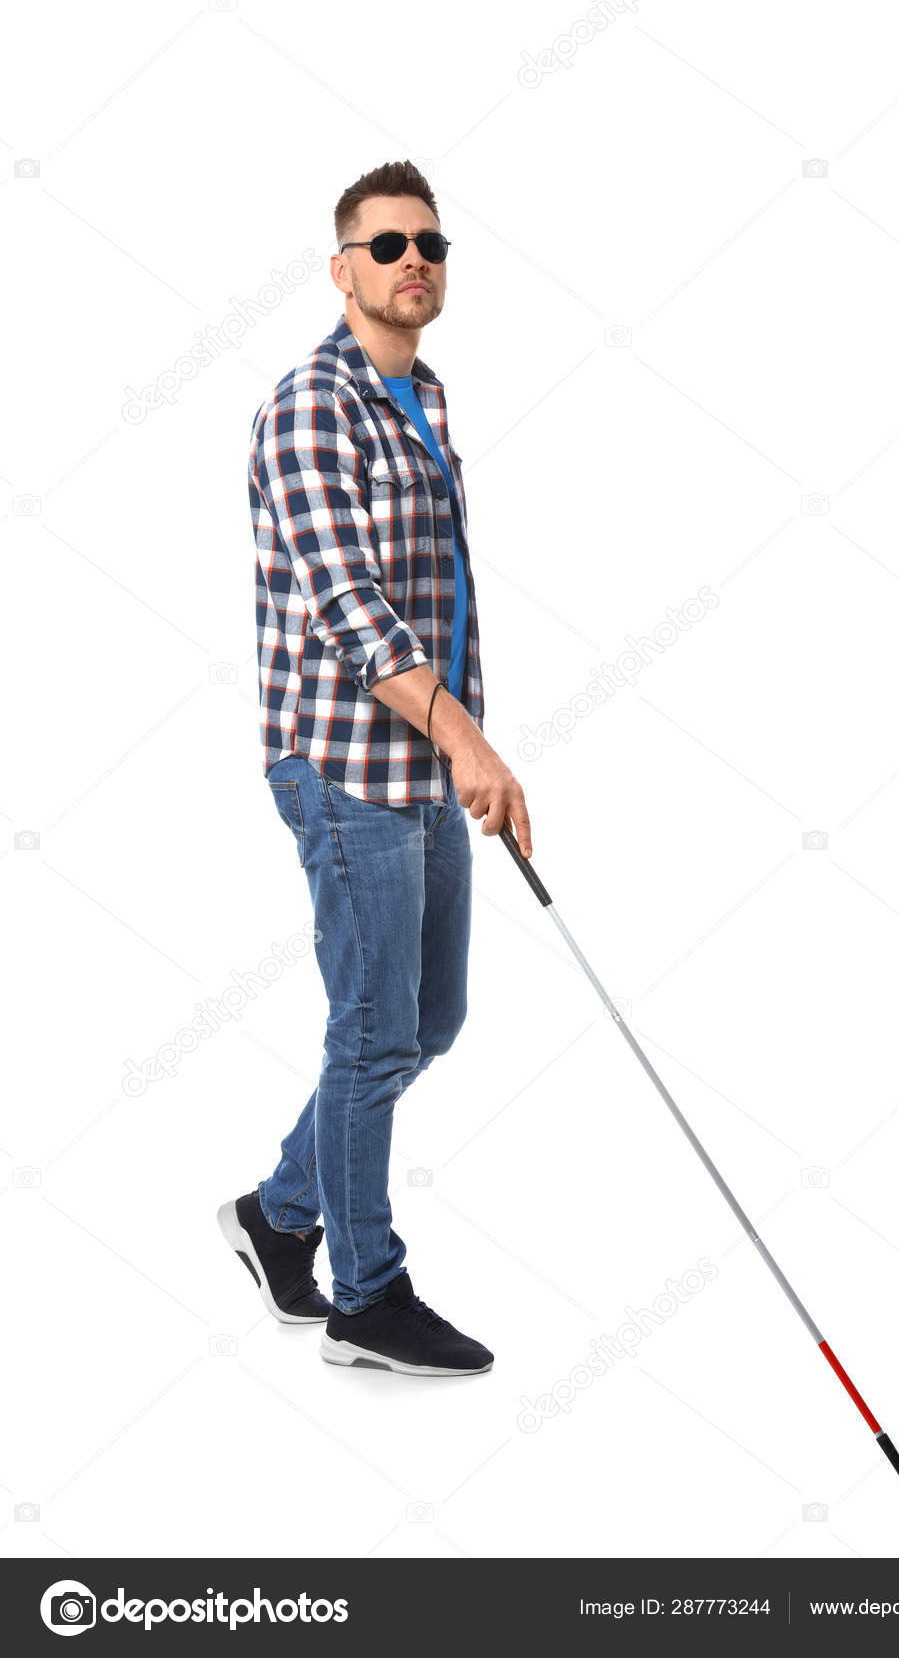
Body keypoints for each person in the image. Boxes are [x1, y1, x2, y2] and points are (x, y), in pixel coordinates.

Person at [218, 158, 532, 1377]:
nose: (415, 261)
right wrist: (471, 741)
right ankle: (365, 1291)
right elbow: (348, 608)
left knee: (425, 1018)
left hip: (424, 765)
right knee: (371, 1031)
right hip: (345, 767)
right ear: (341, 266)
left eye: (433, 246)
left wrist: (461, 745)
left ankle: (276, 1210)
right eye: (389, 243)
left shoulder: (427, 395)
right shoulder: (311, 407)